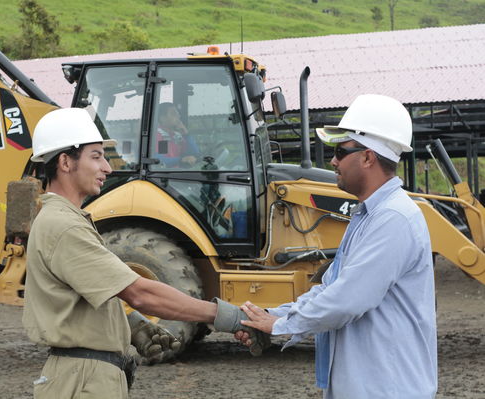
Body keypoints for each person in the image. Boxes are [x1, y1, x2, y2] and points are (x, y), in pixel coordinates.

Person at [22, 107, 268, 399]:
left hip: (85, 375)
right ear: (65, 161)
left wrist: (129, 324)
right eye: (96, 156)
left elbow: (81, 297)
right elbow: (141, 293)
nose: (108, 168)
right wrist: (229, 317)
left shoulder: (67, 221)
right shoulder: (63, 227)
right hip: (84, 379)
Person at [235, 94, 437, 399]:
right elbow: (331, 290)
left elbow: (346, 300)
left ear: (368, 157)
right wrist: (268, 314)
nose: (332, 161)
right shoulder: (367, 216)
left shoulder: (393, 219)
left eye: (340, 152)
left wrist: (279, 324)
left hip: (387, 389)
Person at [153, 102, 199, 168]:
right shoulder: (160, 136)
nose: (178, 116)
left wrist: (186, 135)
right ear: (162, 118)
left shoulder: (176, 135)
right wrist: (181, 159)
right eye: (173, 114)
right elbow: (161, 161)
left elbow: (194, 153)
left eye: (178, 113)